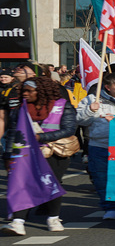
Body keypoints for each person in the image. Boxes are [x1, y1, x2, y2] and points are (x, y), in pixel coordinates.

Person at [1, 77, 77, 235]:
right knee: (22, 184)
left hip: (53, 152)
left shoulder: (63, 105)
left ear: (41, 91)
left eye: (29, 91)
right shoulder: (20, 108)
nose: (25, 94)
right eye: (24, 91)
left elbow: (69, 129)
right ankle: (18, 222)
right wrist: (8, 155)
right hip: (25, 153)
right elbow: (13, 133)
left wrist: (41, 138)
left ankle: (53, 218)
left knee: (51, 183)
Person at [76, 73, 115, 222]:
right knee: (102, 178)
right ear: (108, 87)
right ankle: (111, 207)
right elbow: (79, 120)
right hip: (100, 144)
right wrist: (90, 111)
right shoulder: (93, 99)